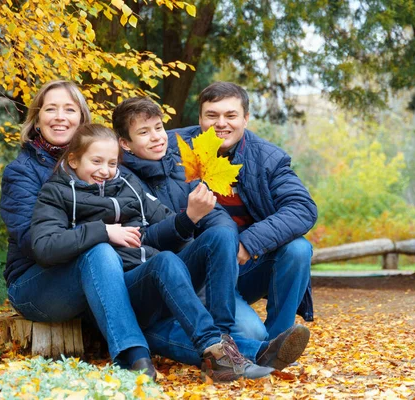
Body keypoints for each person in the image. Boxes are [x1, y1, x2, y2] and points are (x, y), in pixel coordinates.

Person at [29, 123, 274, 382]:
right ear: (74, 160)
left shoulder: (126, 185)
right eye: (96, 161)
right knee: (162, 262)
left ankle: (220, 348)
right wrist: (104, 231)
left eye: (112, 163)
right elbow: (45, 247)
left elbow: (166, 224)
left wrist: (190, 216)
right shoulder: (56, 192)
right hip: (116, 290)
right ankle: (225, 351)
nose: (105, 170)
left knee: (186, 250)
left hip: (152, 277)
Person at [112, 96, 312, 371]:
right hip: (149, 285)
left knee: (229, 234)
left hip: (197, 276)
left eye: (159, 129)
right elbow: (139, 240)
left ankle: (227, 340)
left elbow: (222, 219)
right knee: (170, 274)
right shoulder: (116, 177)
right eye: (144, 133)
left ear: (246, 118)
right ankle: (258, 350)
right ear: (125, 143)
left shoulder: (178, 166)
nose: (156, 137)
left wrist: (241, 242)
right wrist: (189, 218)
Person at [0, 81, 157, 378]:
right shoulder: (22, 172)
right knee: (97, 250)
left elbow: (141, 219)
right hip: (36, 284)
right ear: (37, 117)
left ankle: (231, 351)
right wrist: (102, 231)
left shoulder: (103, 165)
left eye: (69, 109)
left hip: (102, 275)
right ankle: (133, 359)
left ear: (82, 119)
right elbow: (34, 244)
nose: (60, 116)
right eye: (51, 109)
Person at [173, 82, 317, 341]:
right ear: (200, 118)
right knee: (251, 334)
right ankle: (257, 345)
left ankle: (278, 340)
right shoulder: (174, 149)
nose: (221, 123)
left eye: (231, 115)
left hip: (245, 267)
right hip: (196, 273)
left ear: (246, 119)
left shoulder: (267, 158)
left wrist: (248, 243)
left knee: (298, 248)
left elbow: (303, 208)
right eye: (212, 115)